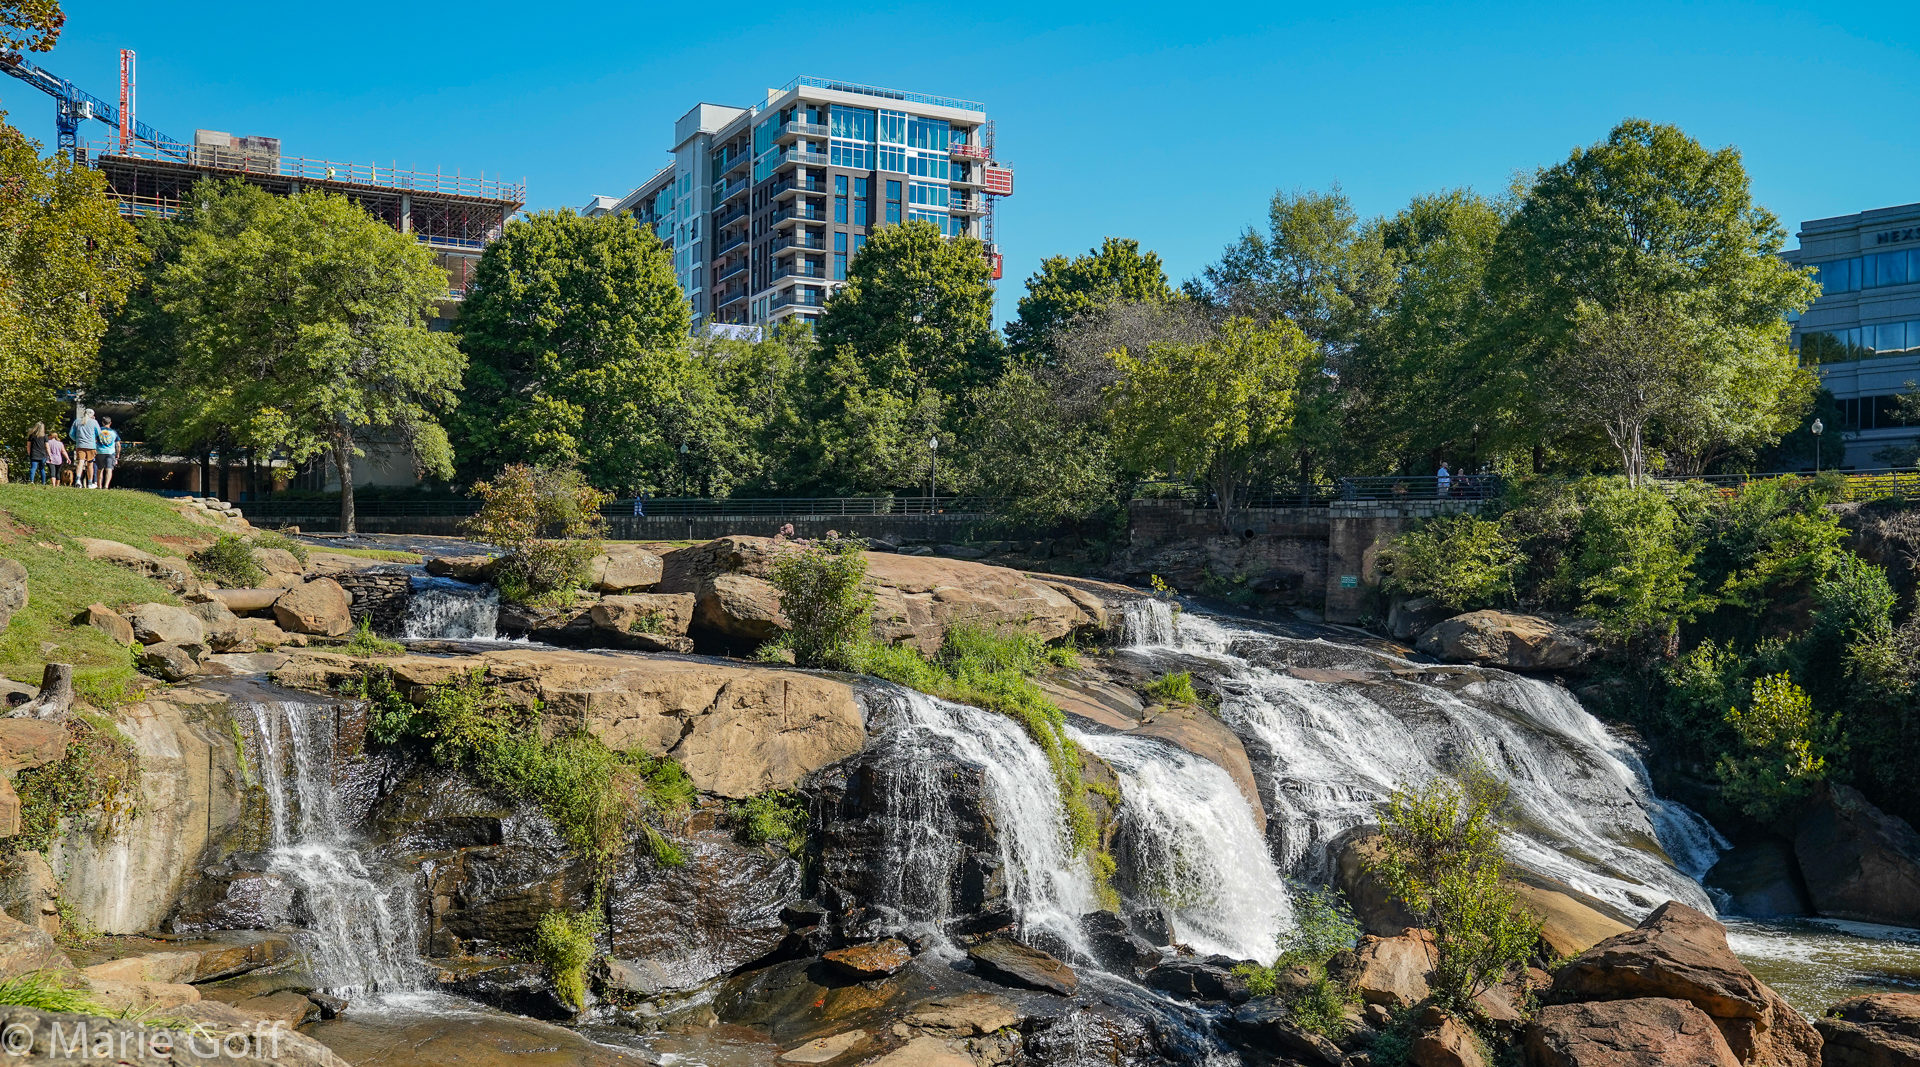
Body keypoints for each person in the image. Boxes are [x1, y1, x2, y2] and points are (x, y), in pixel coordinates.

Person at [68, 408, 98, 489]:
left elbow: (71, 434)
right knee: (90, 465)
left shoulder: (77, 421)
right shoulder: (94, 422)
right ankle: (90, 483)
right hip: (91, 445)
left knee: (80, 463)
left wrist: (77, 440)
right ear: (92, 415)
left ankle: (78, 480)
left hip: (80, 445)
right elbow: (98, 433)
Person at [95, 417, 120, 490]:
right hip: (110, 452)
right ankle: (106, 486)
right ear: (110, 423)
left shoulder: (98, 431)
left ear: (102, 423)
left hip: (100, 452)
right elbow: (118, 445)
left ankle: (99, 486)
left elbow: (94, 441)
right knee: (109, 469)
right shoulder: (114, 432)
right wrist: (117, 454)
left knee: (100, 469)